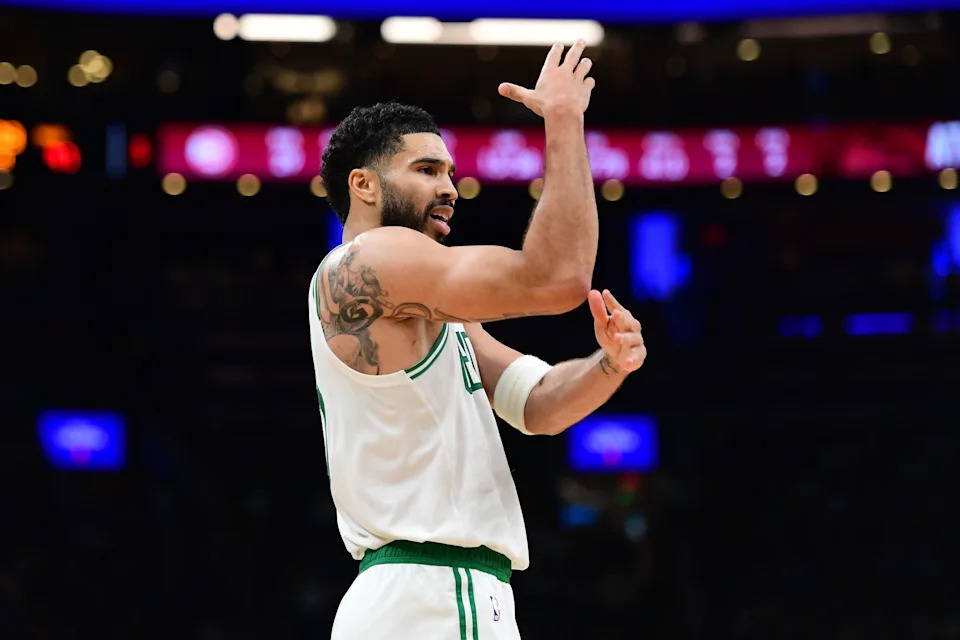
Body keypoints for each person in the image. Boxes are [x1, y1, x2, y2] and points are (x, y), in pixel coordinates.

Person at [309, 39, 647, 639]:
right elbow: (558, 279)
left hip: (432, 595)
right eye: (426, 170)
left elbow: (537, 404)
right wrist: (565, 121)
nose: (449, 188)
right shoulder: (369, 262)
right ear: (362, 184)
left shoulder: (427, 305)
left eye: (451, 174)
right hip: (433, 595)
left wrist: (608, 365)